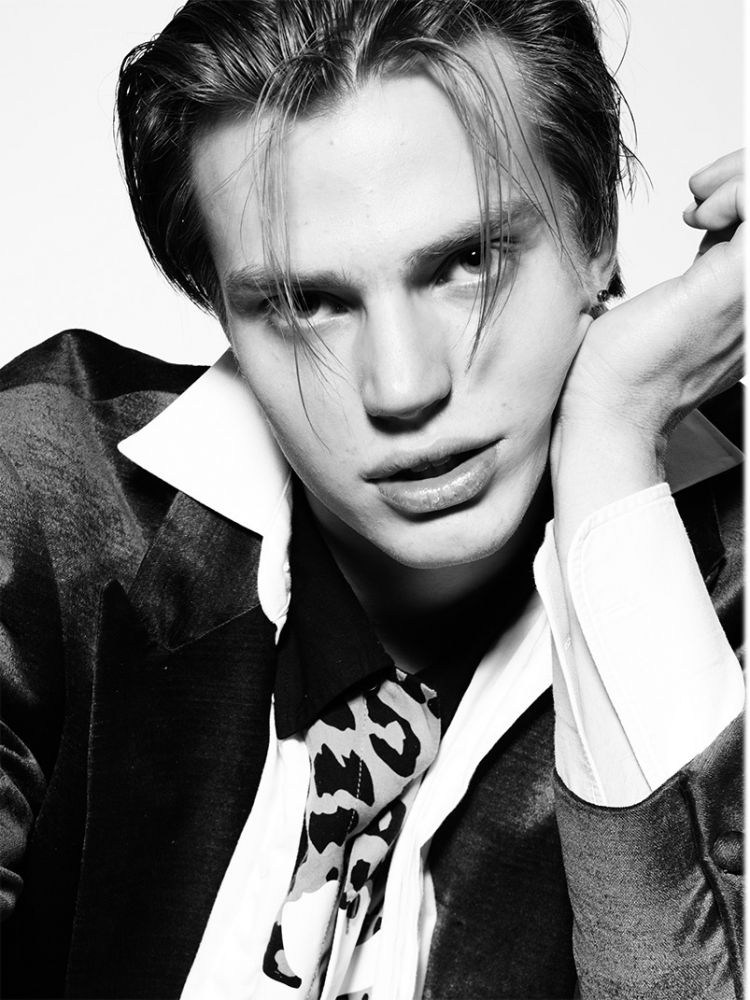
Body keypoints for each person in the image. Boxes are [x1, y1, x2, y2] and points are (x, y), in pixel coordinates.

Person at [0, 1, 743, 997]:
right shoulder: (52, 501)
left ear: (596, 233)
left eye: (469, 262)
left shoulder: (730, 582)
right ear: (220, 308)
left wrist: (617, 425)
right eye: (306, 302)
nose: (402, 387)